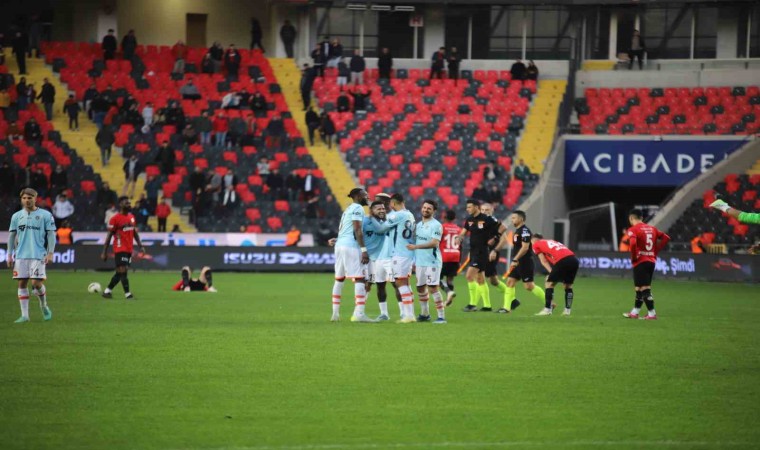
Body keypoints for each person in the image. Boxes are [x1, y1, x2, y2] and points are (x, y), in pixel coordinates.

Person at [7, 188, 56, 323]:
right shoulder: (16, 216)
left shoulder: (45, 215)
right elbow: (11, 236)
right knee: (22, 283)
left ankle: (43, 305)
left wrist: (50, 253)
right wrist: (9, 254)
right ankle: (25, 316)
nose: (27, 200)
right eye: (24, 198)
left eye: (30, 198)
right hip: (21, 255)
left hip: (38, 254)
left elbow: (51, 234)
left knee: (36, 282)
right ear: (21, 199)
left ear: (35, 198)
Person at [370, 194, 417, 323]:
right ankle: (409, 314)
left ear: (392, 203)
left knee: (401, 283)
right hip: (405, 252)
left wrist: (370, 216)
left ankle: (408, 314)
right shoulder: (410, 214)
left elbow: (380, 229)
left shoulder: (396, 215)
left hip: (399, 253)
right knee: (402, 283)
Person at [328, 188, 372, 323]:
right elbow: (357, 229)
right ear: (358, 196)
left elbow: (345, 229)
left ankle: (335, 314)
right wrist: (364, 249)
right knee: (360, 279)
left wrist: (337, 239)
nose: (368, 197)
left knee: (339, 279)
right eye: (365, 195)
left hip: (340, 245)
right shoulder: (358, 208)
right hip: (351, 246)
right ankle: (359, 314)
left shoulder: (348, 209)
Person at [454, 199, 504, 312]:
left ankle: (472, 304)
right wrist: (459, 238)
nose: (467, 209)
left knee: (469, 276)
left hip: (482, 252)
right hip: (473, 251)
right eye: (467, 207)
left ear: (476, 207)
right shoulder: (469, 220)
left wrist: (496, 237)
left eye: (469, 207)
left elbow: (503, 227)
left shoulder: (487, 218)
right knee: (480, 279)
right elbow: (463, 232)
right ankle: (487, 305)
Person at [623, 209, 670, 320]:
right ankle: (635, 312)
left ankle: (652, 314)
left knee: (645, 288)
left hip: (640, 261)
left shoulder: (633, 229)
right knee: (639, 288)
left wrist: (634, 257)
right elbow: (666, 238)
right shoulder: (652, 228)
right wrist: (655, 251)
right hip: (651, 261)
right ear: (642, 218)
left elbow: (633, 243)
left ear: (631, 218)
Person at [498, 210, 546, 313]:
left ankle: (549, 302)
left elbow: (525, 248)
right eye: (512, 218)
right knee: (510, 282)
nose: (512, 220)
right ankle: (506, 308)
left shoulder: (525, 231)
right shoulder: (518, 231)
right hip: (518, 263)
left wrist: (515, 259)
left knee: (529, 286)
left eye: (514, 218)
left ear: (521, 219)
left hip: (525, 262)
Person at [408, 200, 447, 324]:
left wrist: (416, 247)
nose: (425, 210)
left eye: (428, 208)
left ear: (434, 211)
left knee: (433, 288)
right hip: (420, 262)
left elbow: (435, 243)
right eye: (424, 207)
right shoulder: (419, 225)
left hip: (432, 262)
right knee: (420, 287)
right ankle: (425, 314)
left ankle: (441, 316)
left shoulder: (436, 225)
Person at [101, 197, 146, 300]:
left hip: (129, 249)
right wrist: (104, 251)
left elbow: (134, 233)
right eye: (127, 203)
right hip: (120, 248)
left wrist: (141, 246)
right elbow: (109, 236)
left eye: (130, 203)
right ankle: (128, 295)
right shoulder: (115, 219)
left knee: (119, 272)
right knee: (123, 270)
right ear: (120, 204)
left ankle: (107, 291)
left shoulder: (131, 217)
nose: (129, 205)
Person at [473, 203, 512, 312]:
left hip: (490, 253)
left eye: (487, 210)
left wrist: (494, 251)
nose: (485, 211)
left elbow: (504, 239)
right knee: (493, 280)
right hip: (482, 252)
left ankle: (479, 305)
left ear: (492, 211)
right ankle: (512, 298)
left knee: (478, 276)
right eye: (483, 209)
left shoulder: (495, 223)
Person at [531, 234, 580, 316]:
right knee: (568, 286)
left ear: (533, 240)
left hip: (562, 260)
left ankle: (547, 309)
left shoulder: (536, 244)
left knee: (548, 282)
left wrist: (551, 272)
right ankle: (567, 311)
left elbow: (544, 261)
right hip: (573, 259)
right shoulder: (551, 241)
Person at [361, 200, 394, 320]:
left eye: (383, 209)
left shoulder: (387, 222)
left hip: (386, 258)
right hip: (368, 258)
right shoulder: (365, 221)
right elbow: (355, 233)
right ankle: (360, 311)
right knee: (367, 284)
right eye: (378, 209)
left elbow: (381, 230)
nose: (382, 211)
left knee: (396, 283)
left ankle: (405, 313)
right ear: (372, 210)